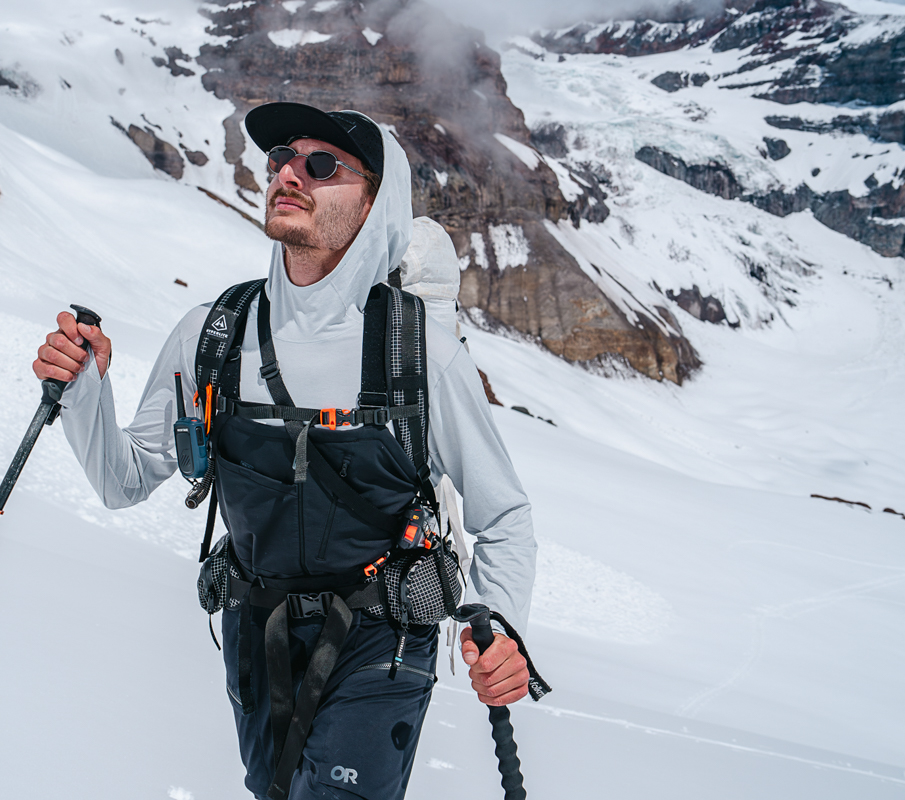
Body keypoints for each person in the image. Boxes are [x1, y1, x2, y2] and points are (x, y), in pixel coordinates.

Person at [33, 102, 537, 799]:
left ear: (374, 203)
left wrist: (499, 624)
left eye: (320, 165)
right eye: (280, 161)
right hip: (254, 636)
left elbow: (503, 515)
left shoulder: (419, 351)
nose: (289, 174)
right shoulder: (211, 335)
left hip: (382, 641)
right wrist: (86, 390)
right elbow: (125, 479)